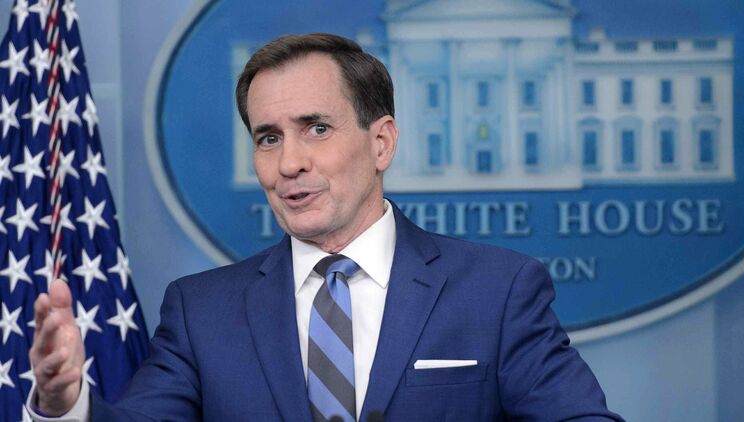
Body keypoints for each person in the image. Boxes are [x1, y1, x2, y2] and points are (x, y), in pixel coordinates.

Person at [28, 33, 623, 421]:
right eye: (269, 138)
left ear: (381, 142)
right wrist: (65, 405)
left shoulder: (497, 291)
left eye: (316, 129)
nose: (289, 163)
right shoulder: (200, 311)